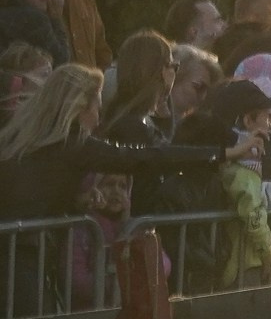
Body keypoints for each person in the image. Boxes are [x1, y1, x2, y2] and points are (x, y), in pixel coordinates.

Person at [0, 64, 242, 223]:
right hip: (24, 253)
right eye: (97, 108)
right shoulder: (73, 144)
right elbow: (144, 157)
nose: (99, 118)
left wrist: (76, 201)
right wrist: (223, 153)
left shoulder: (22, 139)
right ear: (80, 108)